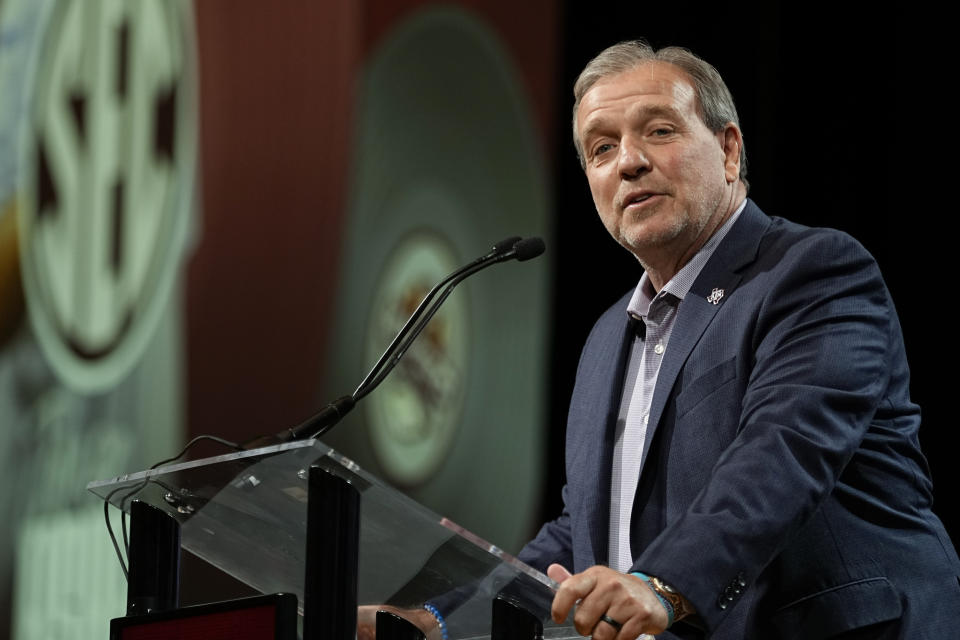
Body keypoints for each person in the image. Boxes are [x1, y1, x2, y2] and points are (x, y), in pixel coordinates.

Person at [512, 40, 960, 640]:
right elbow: (587, 524)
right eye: (601, 148)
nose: (628, 162)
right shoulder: (605, 338)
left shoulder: (812, 272)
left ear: (728, 150)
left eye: (660, 131)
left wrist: (663, 583)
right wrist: (441, 613)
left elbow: (783, 451)